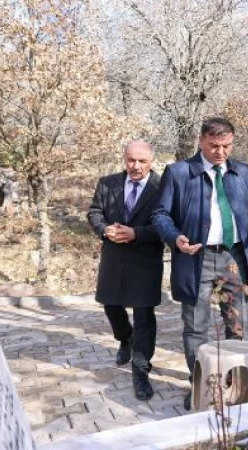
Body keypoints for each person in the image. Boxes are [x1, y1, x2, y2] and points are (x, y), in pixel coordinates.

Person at [152, 118, 248, 410]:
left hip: (234, 258)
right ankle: (201, 383)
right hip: (196, 258)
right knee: (196, 326)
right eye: (214, 145)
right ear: (201, 140)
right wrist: (175, 236)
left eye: (226, 146)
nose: (220, 152)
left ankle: (237, 382)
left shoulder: (242, 171)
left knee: (237, 322)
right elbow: (160, 214)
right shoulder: (179, 173)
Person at [87, 140, 164, 401]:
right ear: (124, 158)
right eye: (131, 160)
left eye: (142, 161)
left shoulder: (162, 187)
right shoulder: (107, 183)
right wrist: (104, 229)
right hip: (114, 257)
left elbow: (167, 224)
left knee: (144, 316)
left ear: (151, 161)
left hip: (145, 259)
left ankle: (140, 371)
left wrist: (136, 233)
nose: (136, 166)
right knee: (110, 305)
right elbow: (94, 212)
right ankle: (124, 338)